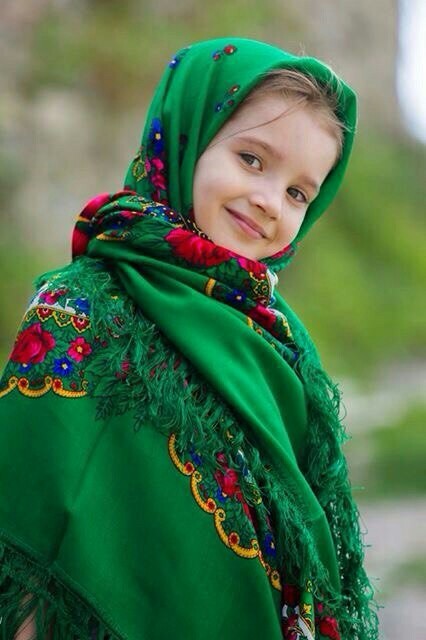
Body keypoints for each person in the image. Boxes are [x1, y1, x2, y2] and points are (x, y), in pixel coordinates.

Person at [0, 38, 378, 640]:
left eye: (298, 192)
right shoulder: (82, 307)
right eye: (252, 159)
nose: (268, 202)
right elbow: (29, 537)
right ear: (185, 138)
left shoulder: (277, 341)